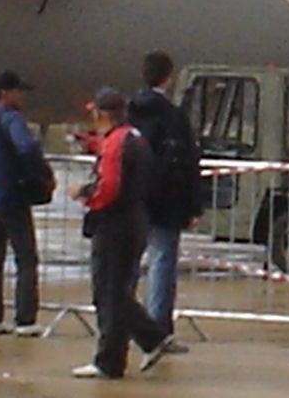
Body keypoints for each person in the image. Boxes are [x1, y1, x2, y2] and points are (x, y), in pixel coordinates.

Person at [73, 88, 172, 379]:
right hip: (135, 220)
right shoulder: (133, 137)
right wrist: (93, 145)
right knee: (115, 292)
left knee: (108, 293)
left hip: (116, 224)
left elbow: (110, 188)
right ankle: (145, 342)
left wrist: (84, 194)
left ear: (103, 114)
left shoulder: (117, 142)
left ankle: (115, 358)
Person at [128, 50, 200, 351]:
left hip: (132, 200)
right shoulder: (173, 116)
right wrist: (192, 205)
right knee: (161, 264)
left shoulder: (129, 111)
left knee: (127, 266)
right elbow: (187, 161)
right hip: (165, 201)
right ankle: (156, 331)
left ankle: (122, 322)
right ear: (168, 78)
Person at [0, 69, 52, 336]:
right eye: (19, 91)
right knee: (26, 257)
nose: (22, 96)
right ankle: (25, 318)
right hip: (13, 195)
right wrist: (42, 174)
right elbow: (26, 148)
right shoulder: (11, 119)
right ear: (5, 93)